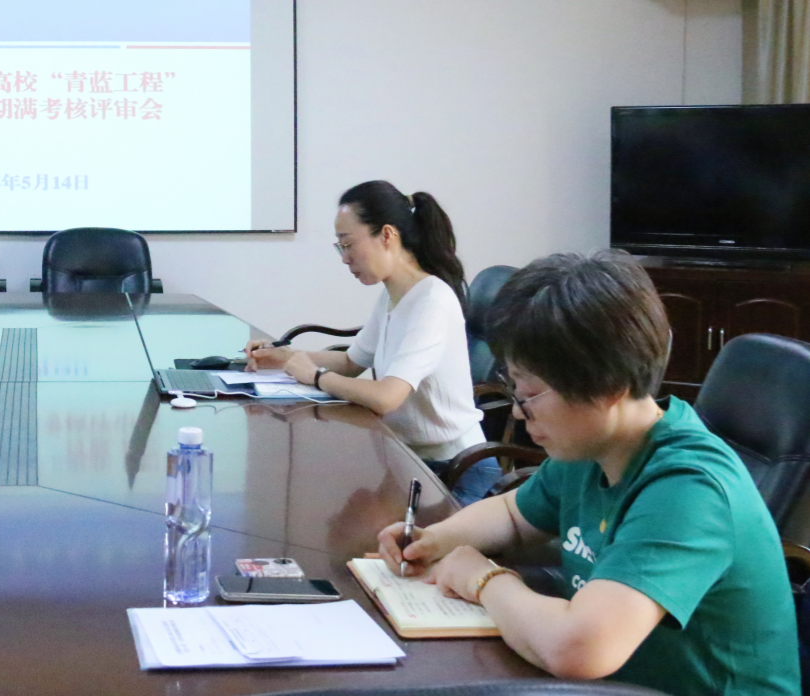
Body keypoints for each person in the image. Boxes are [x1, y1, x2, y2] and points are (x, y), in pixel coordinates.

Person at [377, 252, 799, 696]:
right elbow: (513, 516)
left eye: (529, 395)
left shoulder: (688, 490)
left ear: (608, 387)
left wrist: (482, 580)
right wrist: (436, 539)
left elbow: (580, 649)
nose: (518, 414)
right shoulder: (593, 446)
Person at [249, 180, 497, 504]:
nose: (344, 258)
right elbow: (351, 362)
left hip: (457, 468)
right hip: (411, 461)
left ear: (387, 235)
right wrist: (283, 356)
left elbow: (386, 397)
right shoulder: (393, 294)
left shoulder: (431, 301)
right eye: (340, 247)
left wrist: (316, 377)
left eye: (348, 244)